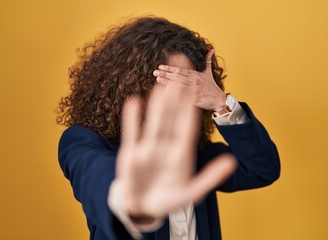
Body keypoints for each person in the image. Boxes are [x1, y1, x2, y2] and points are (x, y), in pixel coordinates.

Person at [56, 16, 280, 240]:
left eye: (190, 85)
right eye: (167, 81)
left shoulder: (196, 156)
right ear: (130, 83)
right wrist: (131, 201)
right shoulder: (81, 141)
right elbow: (94, 177)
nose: (178, 96)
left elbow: (263, 168)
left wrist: (221, 103)